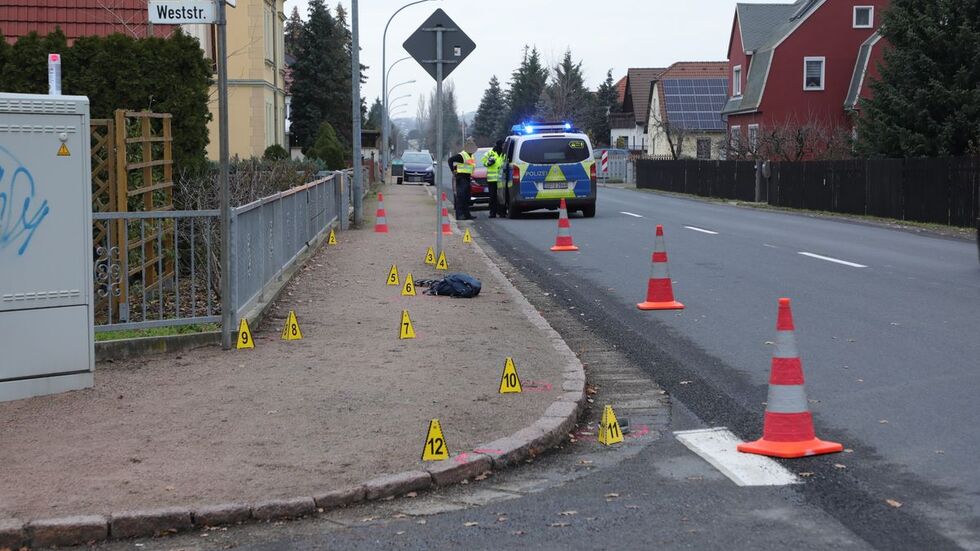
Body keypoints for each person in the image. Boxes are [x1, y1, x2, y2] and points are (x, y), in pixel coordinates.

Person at [447, 137, 477, 220]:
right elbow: (450, 160)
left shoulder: (471, 155)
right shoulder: (462, 155)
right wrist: (453, 171)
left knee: (467, 198)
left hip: (467, 178)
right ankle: (460, 215)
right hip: (461, 178)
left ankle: (467, 214)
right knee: (461, 197)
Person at [481, 140, 505, 218]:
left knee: (501, 197)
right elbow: (483, 162)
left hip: (501, 179)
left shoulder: (504, 153)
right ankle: (492, 213)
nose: (503, 146)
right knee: (493, 197)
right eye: (502, 145)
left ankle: (502, 212)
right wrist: (489, 163)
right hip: (492, 179)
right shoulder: (490, 153)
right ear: (499, 145)